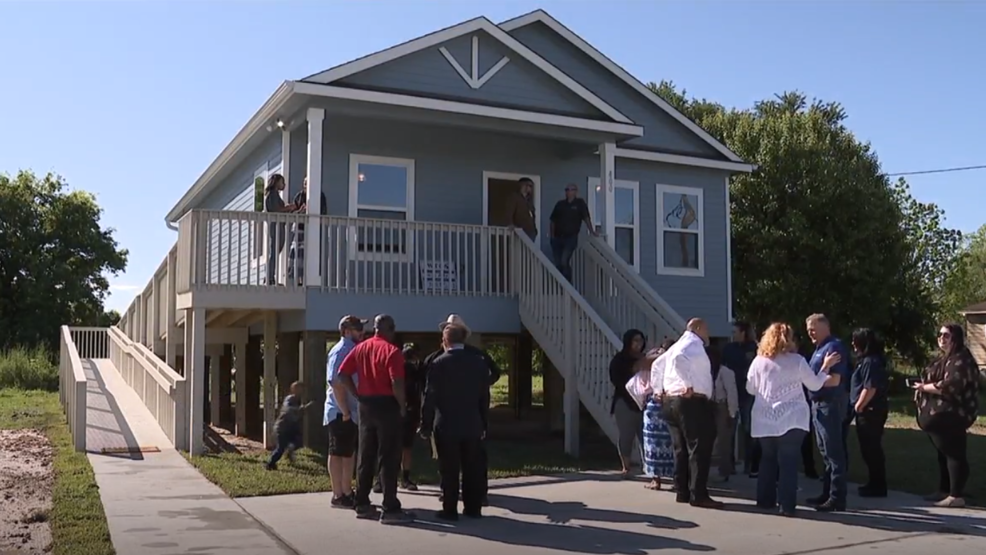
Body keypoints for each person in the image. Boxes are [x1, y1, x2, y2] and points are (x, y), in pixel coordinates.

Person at [746, 323, 840, 517]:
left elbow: (750, 389)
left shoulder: (758, 362)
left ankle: (765, 501)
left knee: (767, 459)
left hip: (764, 418)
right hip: (792, 417)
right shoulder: (797, 360)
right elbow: (814, 385)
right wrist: (825, 368)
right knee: (789, 462)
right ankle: (787, 506)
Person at [335, 314, 413, 524]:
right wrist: (402, 406)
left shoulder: (360, 348)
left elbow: (342, 375)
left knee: (366, 453)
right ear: (388, 328)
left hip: (365, 405)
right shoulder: (392, 351)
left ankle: (362, 503)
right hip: (387, 404)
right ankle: (390, 507)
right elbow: (396, 382)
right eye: (393, 328)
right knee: (389, 455)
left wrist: (357, 394)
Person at [423, 314, 500, 506]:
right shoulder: (476, 361)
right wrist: (483, 420)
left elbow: (429, 395)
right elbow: (485, 396)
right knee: (470, 465)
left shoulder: (440, 362)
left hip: (447, 422)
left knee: (451, 467)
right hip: (472, 421)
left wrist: (426, 423)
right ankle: (472, 506)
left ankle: (451, 507)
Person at [914, 323, 980, 508]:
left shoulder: (961, 360)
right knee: (943, 454)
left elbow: (951, 385)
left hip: (953, 414)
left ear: (956, 338)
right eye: (940, 335)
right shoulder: (945, 358)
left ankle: (956, 495)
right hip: (938, 416)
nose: (942, 338)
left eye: (946, 335)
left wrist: (923, 388)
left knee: (954, 454)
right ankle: (944, 490)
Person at [661, 318, 721, 509]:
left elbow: (657, 365)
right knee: (699, 446)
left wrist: (658, 389)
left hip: (671, 400)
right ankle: (698, 494)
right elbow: (679, 359)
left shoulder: (677, 345)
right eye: (706, 329)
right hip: (691, 400)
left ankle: (682, 491)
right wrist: (687, 384)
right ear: (696, 328)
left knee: (681, 448)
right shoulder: (691, 343)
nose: (708, 334)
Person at [804, 313, 851, 512]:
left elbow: (834, 380)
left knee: (834, 453)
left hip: (829, 403)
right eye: (808, 330)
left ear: (825, 327)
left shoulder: (834, 347)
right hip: (817, 404)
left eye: (813, 328)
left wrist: (815, 381)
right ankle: (826, 493)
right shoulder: (818, 349)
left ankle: (837, 497)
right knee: (824, 452)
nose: (810, 333)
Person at [324, 315, 366, 508]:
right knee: (339, 453)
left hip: (350, 411)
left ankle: (346, 491)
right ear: (346, 331)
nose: (362, 332)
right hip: (341, 411)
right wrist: (346, 412)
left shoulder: (353, 350)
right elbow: (336, 383)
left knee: (348, 453)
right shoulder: (341, 350)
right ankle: (339, 494)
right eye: (358, 328)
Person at [850, 328, 889, 498]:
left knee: (872, 449)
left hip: (870, 410)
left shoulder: (870, 362)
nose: (853, 343)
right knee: (868, 449)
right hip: (870, 409)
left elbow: (870, 387)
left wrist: (859, 406)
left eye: (855, 340)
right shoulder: (868, 360)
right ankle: (874, 482)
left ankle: (878, 485)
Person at [721, 321, 758, 475]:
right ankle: (729, 466)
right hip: (732, 393)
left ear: (743, 332)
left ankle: (751, 465)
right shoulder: (729, 349)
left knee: (749, 430)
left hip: (749, 393)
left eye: (735, 331)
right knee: (729, 429)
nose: (733, 334)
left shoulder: (754, 348)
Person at [609, 329, 647, 477]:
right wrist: (634, 368)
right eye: (635, 340)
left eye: (641, 340)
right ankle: (626, 466)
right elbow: (616, 380)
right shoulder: (619, 359)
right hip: (624, 402)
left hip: (643, 403)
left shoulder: (645, 359)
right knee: (627, 435)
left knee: (645, 437)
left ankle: (647, 467)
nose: (638, 344)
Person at [642, 338, 677, 490]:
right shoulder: (677, 362)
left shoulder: (656, 362)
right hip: (670, 403)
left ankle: (656, 480)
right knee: (674, 443)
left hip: (655, 406)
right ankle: (677, 479)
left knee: (653, 445)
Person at [548, 183, 597, 282]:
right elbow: (553, 220)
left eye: (571, 189)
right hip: (557, 238)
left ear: (575, 191)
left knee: (564, 261)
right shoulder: (560, 204)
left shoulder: (580, 203)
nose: (568, 191)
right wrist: (552, 236)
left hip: (570, 238)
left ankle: (568, 285)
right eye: (567, 189)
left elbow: (586, 218)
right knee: (558, 263)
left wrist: (592, 231)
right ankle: (560, 287)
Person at [286, 183, 328, 285]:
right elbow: (293, 213)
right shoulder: (299, 196)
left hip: (312, 229)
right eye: (305, 183)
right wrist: (300, 212)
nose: (306, 185)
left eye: (308, 183)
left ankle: (304, 279)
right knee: (296, 253)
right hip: (299, 228)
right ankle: (297, 278)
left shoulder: (320, 196)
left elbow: (323, 212)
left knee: (306, 255)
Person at [265, 381, 312, 471]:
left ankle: (290, 451)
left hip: (291, 427)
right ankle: (270, 464)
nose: (302, 391)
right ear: (294, 390)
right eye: (300, 389)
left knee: (299, 442)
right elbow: (288, 409)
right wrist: (302, 408)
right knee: (280, 449)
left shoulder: (298, 400)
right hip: (282, 428)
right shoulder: (289, 399)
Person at [399, 343, 425, 491]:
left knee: (398, 447)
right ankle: (404, 478)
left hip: (403, 411)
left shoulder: (413, 372)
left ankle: (398, 478)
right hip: (409, 410)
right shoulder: (414, 372)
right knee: (405, 447)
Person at [710, 347, 739, 483]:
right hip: (709, 406)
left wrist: (731, 413)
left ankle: (725, 470)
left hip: (722, 406)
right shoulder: (706, 372)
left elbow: (732, 394)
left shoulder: (726, 372)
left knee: (724, 441)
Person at [263, 173, 298, 285]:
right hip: (275, 227)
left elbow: (281, 210)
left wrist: (293, 210)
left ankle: (270, 276)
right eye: (282, 182)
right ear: (276, 182)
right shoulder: (272, 195)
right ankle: (269, 278)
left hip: (279, 227)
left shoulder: (276, 195)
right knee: (273, 252)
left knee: (275, 251)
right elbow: (276, 210)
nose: (284, 184)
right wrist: (288, 207)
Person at [504, 177, 538, 241]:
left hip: (530, 232)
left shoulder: (529, 201)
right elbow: (509, 212)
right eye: (530, 186)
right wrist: (510, 224)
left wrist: (535, 229)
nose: (531, 188)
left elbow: (532, 215)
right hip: (519, 232)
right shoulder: (514, 197)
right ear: (523, 185)